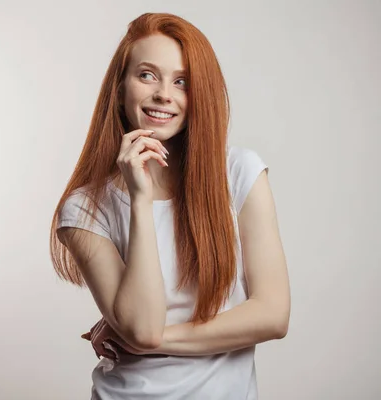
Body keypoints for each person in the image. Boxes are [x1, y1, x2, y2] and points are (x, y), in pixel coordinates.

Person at [48, 12, 290, 400]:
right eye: (147, 75)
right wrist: (140, 200)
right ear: (120, 87)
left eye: (182, 82)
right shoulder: (84, 208)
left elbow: (273, 315)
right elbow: (142, 327)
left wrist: (147, 340)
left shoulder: (239, 173)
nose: (164, 93)